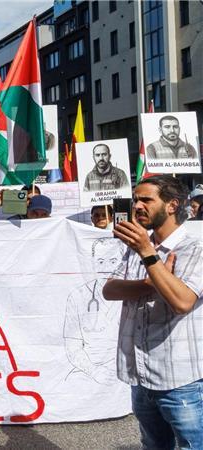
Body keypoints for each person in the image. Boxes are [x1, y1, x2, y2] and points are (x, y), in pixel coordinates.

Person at [102, 175, 203, 449]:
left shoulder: (195, 247)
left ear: (172, 205)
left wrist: (148, 254)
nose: (137, 206)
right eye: (135, 199)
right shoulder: (137, 245)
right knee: (154, 445)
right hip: (141, 375)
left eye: (146, 199)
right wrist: (151, 283)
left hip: (180, 380)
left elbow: (182, 302)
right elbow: (109, 290)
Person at [62, 238, 124, 384]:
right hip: (89, 369)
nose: (106, 268)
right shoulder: (78, 296)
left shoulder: (133, 292)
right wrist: (94, 371)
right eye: (101, 261)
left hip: (125, 366)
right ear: (93, 262)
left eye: (113, 261)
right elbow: (72, 346)